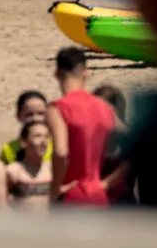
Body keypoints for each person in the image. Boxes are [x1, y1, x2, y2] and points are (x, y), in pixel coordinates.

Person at [47, 47, 115, 207]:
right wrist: (107, 183)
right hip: (98, 194)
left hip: (71, 193)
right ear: (86, 73)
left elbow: (61, 152)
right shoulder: (103, 106)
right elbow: (131, 149)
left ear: (56, 73)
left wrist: (56, 188)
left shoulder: (57, 108)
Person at [5, 120, 53, 209]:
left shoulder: (53, 169)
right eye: (37, 136)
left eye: (46, 137)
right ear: (23, 142)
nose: (44, 142)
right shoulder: (13, 171)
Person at [0, 90, 51, 164]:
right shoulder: (9, 149)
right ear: (18, 116)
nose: (35, 118)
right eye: (29, 114)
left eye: (40, 113)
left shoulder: (58, 148)